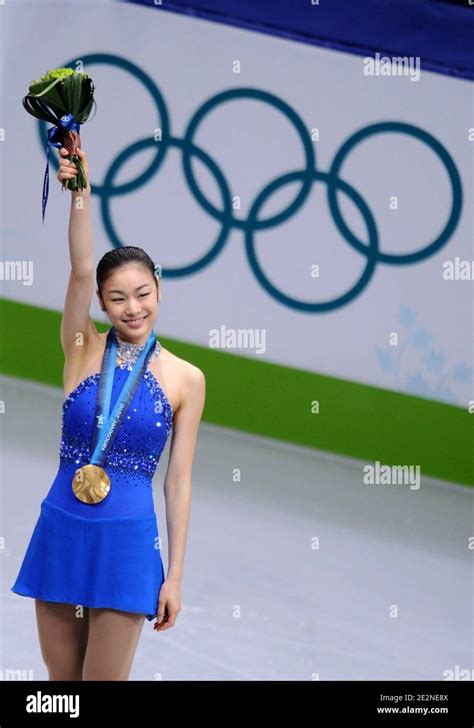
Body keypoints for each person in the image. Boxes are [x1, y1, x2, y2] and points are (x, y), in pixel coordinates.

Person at [11, 146, 206, 680]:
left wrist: (176, 576)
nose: (132, 307)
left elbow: (179, 483)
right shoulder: (82, 349)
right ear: (100, 302)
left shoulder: (187, 379)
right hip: (62, 528)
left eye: (143, 294)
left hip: (127, 542)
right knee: (61, 688)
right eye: (117, 298)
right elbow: (78, 267)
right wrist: (80, 193)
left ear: (159, 292)